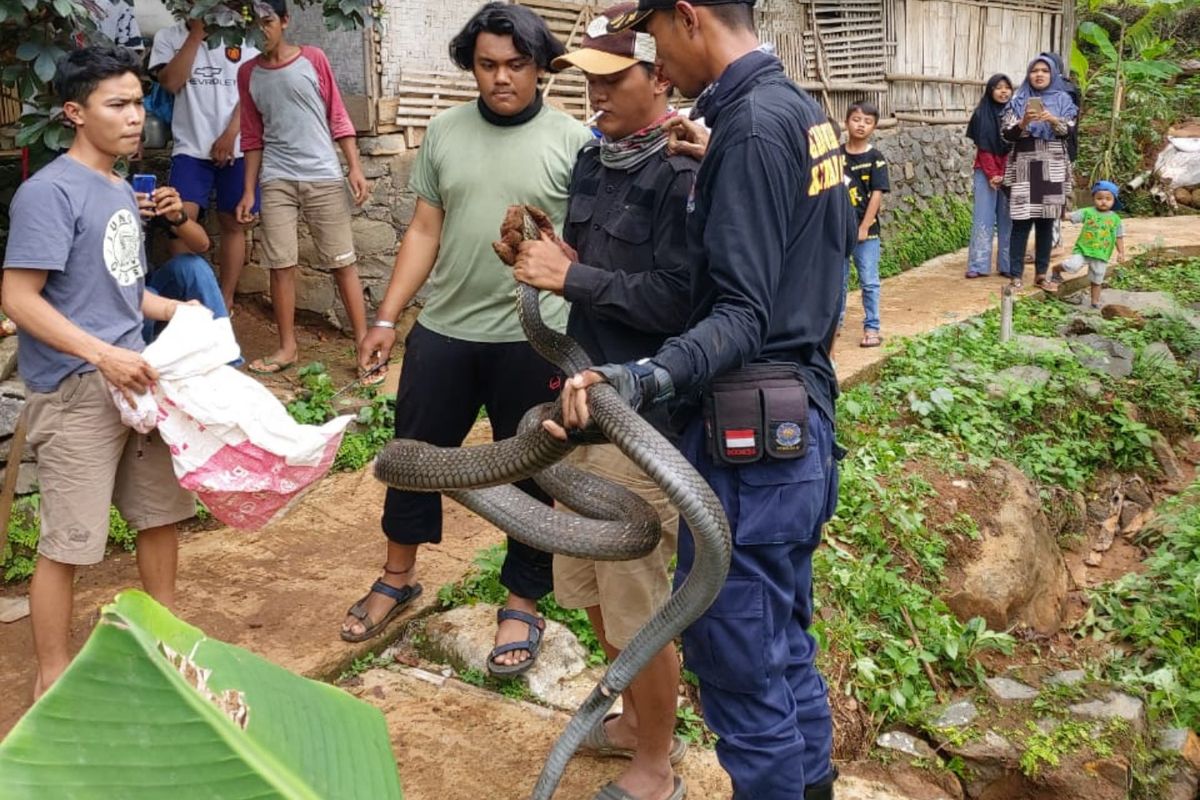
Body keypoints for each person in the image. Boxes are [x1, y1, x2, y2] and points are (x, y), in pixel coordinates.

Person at [551, 1, 849, 797]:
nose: (655, 59)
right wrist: (727, 163)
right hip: (800, 426)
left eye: (652, 37)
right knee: (783, 654)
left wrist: (643, 376)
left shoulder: (752, 128)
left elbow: (742, 313)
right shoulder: (798, 114)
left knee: (743, 671)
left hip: (750, 447)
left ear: (689, 19)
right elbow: (818, 247)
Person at [345, 3, 594, 674]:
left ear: (540, 67)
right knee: (414, 457)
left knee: (535, 471)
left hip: (537, 338)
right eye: (487, 65)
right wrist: (389, 318)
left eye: (516, 65)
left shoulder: (575, 141)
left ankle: (522, 601)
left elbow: (586, 250)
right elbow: (424, 229)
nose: (501, 78)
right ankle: (398, 575)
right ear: (471, 67)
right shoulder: (444, 132)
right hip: (446, 330)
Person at [510, 5, 696, 798]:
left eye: (612, 79)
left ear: (659, 77)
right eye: (586, 81)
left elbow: (681, 301)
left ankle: (657, 764)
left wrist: (572, 278)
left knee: (637, 597)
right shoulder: (597, 160)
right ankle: (631, 724)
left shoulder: (684, 173)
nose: (596, 97)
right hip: (582, 397)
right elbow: (593, 270)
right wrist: (550, 255)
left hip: (644, 416)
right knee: (587, 581)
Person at [2, 46, 196, 699]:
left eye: (138, 103)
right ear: (75, 113)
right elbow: (19, 298)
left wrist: (172, 307)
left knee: (160, 516)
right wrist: (102, 356)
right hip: (78, 387)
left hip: (136, 380)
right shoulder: (47, 192)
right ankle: (51, 676)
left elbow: (118, 286)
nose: (135, 117)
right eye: (118, 105)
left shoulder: (118, 188)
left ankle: (168, 644)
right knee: (69, 542)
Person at [235, 0, 371, 376]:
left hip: (323, 175)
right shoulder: (248, 73)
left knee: (342, 263)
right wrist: (249, 191)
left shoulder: (313, 58)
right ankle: (287, 347)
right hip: (276, 178)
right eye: (254, 24)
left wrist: (354, 167)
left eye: (268, 22)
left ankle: (364, 344)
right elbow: (252, 136)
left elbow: (337, 115)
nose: (261, 31)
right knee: (281, 265)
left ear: (284, 21)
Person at [150, 12, 260, 312]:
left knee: (233, 222)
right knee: (179, 221)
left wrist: (230, 134)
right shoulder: (168, 36)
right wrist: (196, 35)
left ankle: (225, 299)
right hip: (190, 146)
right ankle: (191, 301)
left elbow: (250, 89)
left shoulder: (241, 33)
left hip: (237, 145)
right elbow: (171, 83)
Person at [1002, 56, 1077, 290]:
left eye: (1045, 70)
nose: (1039, 74)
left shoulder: (1064, 99)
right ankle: (1015, 275)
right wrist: (1024, 121)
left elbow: (1067, 133)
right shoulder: (1017, 99)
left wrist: (1053, 119)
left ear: (1052, 74)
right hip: (1025, 163)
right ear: (1028, 74)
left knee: (1046, 223)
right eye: (1034, 70)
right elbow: (1006, 135)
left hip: (1052, 164)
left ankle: (1041, 275)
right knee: (1021, 222)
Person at [135, 183, 233, 344]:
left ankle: (223, 353)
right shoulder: (93, 200)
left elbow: (202, 244)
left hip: (150, 285)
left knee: (193, 266)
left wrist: (178, 216)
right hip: (110, 294)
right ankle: (140, 361)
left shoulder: (144, 197)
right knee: (143, 294)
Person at [840, 100, 889, 348]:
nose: (861, 125)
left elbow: (877, 195)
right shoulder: (836, 156)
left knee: (869, 282)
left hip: (866, 234)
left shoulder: (875, 158)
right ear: (846, 121)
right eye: (857, 119)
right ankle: (833, 328)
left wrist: (864, 227)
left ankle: (872, 328)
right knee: (837, 283)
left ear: (874, 127)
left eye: (867, 122)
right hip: (837, 233)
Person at [965, 74, 1013, 279]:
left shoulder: (1016, 114)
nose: (1003, 91)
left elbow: (1017, 146)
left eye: (1007, 87)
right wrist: (993, 174)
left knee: (1009, 218)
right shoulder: (981, 114)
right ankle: (978, 264)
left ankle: (1008, 264)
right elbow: (982, 148)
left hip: (1011, 171)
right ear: (990, 90)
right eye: (998, 87)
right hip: (985, 172)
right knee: (982, 218)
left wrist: (1005, 173)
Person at [1049, 180, 1126, 309]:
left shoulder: (1116, 219)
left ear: (1114, 200)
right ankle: (1056, 269)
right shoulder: (1088, 212)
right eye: (1099, 198)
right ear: (1093, 198)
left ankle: (1094, 303)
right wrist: (1057, 212)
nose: (1103, 201)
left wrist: (1121, 252)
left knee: (1097, 279)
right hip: (1083, 250)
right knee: (1072, 266)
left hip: (1101, 254)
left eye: (1108, 199)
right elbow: (1070, 216)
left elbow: (1119, 237)